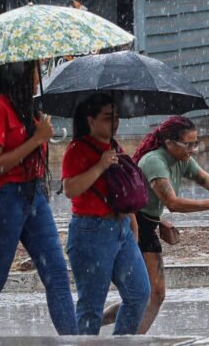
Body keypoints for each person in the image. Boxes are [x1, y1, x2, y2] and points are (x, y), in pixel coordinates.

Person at [102, 116, 209, 333]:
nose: (192, 149)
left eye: (195, 143)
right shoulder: (155, 161)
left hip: (149, 225)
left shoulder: (182, 160)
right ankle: (119, 332)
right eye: (188, 144)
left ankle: (125, 333)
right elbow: (173, 203)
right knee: (147, 295)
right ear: (169, 142)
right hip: (133, 226)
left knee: (153, 295)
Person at [0, 61, 77, 336]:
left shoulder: (26, 108)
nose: (39, 77)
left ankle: (75, 342)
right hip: (0, 200)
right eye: (36, 70)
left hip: (32, 195)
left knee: (58, 276)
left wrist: (40, 133)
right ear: (21, 73)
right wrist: (36, 139)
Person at [61, 93, 150, 335]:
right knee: (91, 308)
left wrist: (132, 222)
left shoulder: (114, 146)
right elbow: (70, 189)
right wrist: (100, 165)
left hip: (121, 229)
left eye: (117, 117)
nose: (115, 123)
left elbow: (122, 193)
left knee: (140, 294)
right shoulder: (77, 149)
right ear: (91, 120)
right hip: (91, 233)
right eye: (108, 117)